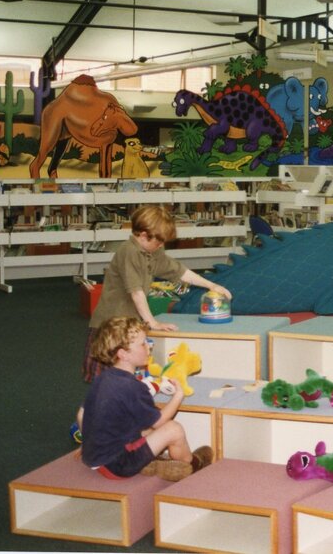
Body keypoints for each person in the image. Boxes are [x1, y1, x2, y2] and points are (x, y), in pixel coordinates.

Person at [82, 205, 232, 382]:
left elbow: (178, 271)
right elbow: (136, 292)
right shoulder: (129, 251)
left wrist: (211, 285)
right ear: (143, 235)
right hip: (110, 326)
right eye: (159, 241)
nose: (161, 245)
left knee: (128, 378)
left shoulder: (152, 251)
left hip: (130, 325)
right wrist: (152, 323)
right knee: (105, 380)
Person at [80, 316, 212, 481]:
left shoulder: (103, 378)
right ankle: (192, 464)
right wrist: (178, 396)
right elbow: (160, 422)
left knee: (143, 428)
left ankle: (153, 462)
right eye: (143, 344)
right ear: (123, 354)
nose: (148, 347)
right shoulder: (132, 387)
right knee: (173, 429)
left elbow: (81, 415)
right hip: (118, 465)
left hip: (92, 458)